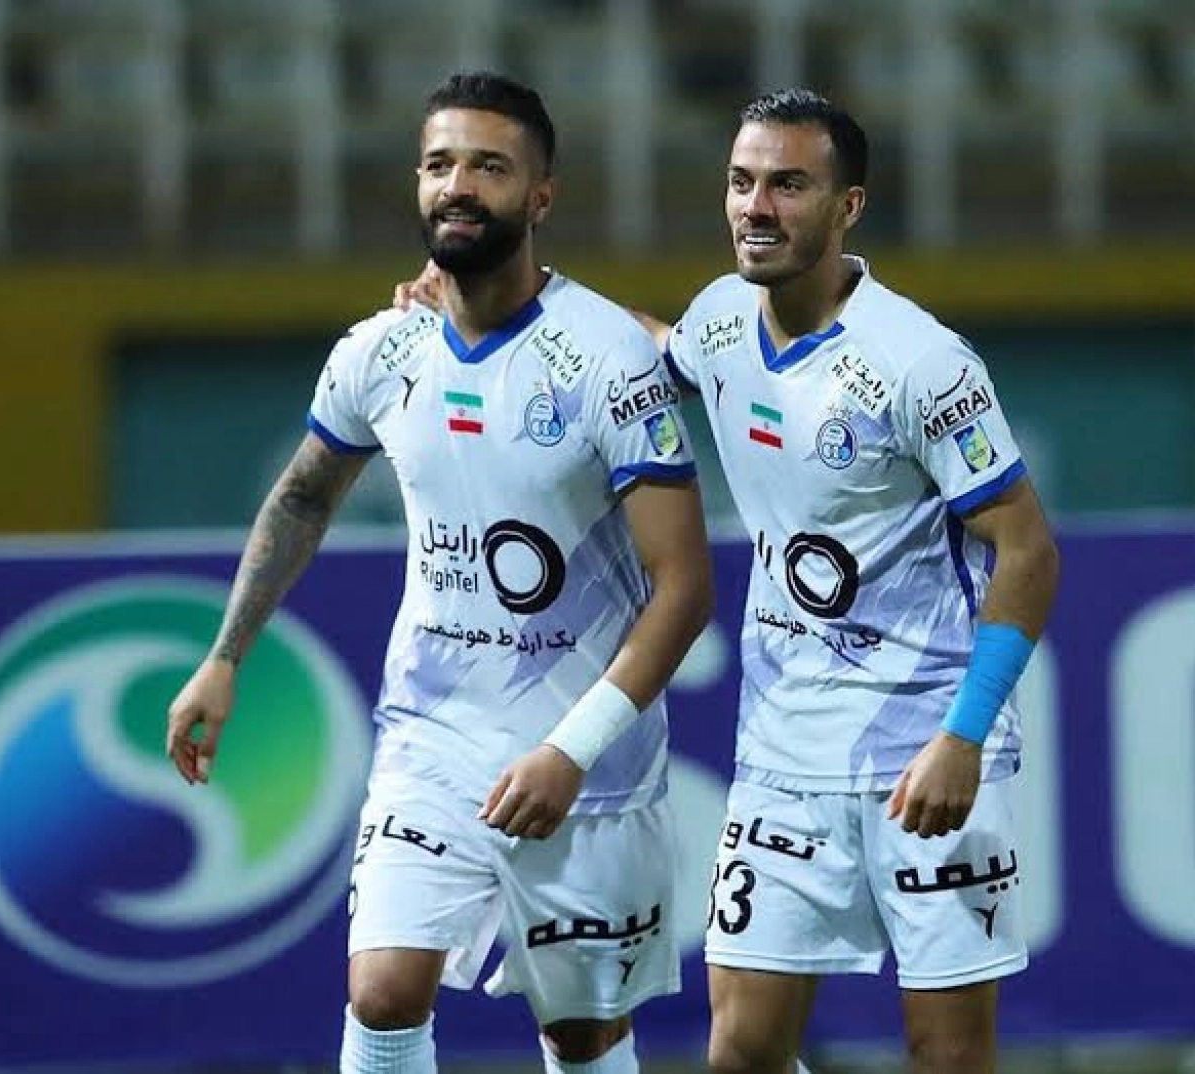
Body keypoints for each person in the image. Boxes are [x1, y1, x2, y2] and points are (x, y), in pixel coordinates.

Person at [397, 87, 1060, 1074]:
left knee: (948, 1056)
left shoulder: (922, 363)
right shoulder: (718, 322)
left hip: (923, 747)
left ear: (848, 207)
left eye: (789, 185)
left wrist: (964, 735)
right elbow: (637, 349)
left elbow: (1029, 551)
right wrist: (471, 288)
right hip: (783, 754)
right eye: (742, 182)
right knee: (741, 1051)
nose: (757, 206)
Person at [166, 71, 714, 1074]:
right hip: (433, 736)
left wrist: (572, 749)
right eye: (439, 164)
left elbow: (683, 588)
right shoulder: (382, 350)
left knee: (582, 1033)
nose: (458, 185)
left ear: (540, 196)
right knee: (382, 993)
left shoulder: (609, 359)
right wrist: (225, 656)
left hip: (590, 764)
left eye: (489, 167)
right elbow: (303, 498)